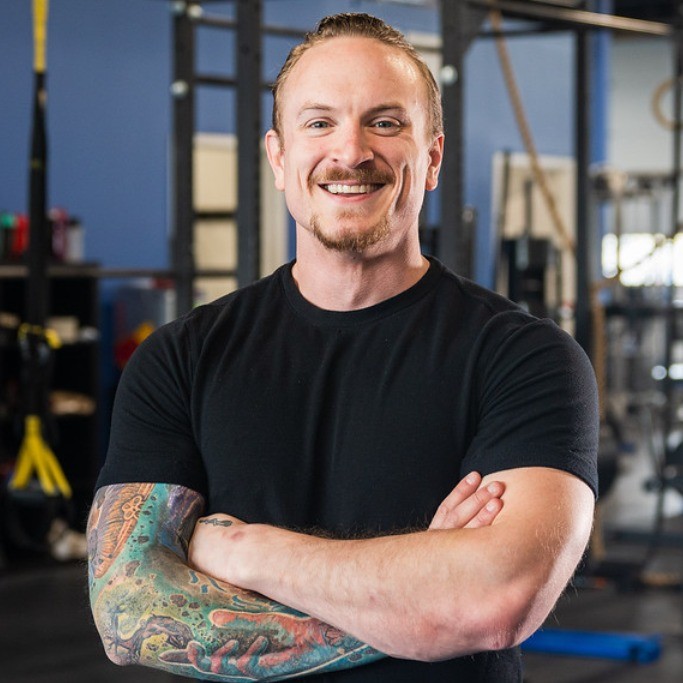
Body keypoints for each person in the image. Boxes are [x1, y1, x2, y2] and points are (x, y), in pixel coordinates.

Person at [87, 12, 598, 683]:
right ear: (277, 156)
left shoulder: (525, 359)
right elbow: (130, 613)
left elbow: (495, 600)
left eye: (384, 122)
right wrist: (422, 607)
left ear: (433, 158)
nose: (350, 151)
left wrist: (244, 549)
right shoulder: (180, 359)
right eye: (319, 122)